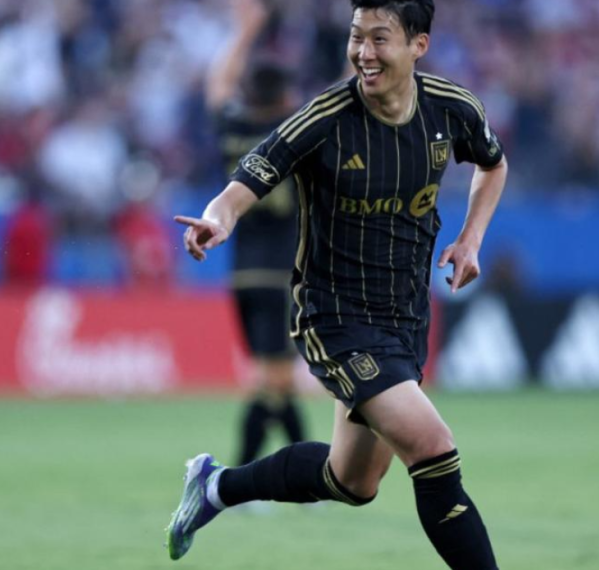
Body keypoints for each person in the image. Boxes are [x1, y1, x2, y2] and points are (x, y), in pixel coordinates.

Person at [166, 1, 508, 568]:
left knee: (353, 481)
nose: (363, 53)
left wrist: (471, 238)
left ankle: (216, 487)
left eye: (379, 40)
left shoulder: (453, 110)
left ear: (417, 46)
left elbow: (493, 164)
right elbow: (250, 175)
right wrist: (217, 219)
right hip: (335, 317)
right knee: (433, 448)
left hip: (403, 317)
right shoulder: (323, 117)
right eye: (356, 38)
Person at [205, 0, 308, 470]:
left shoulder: (235, 126)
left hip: (243, 274)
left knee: (274, 378)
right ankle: (236, 480)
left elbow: (218, 86)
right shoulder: (289, 132)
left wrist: (245, 32)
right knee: (275, 381)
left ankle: (311, 483)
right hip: (283, 271)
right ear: (286, 96)